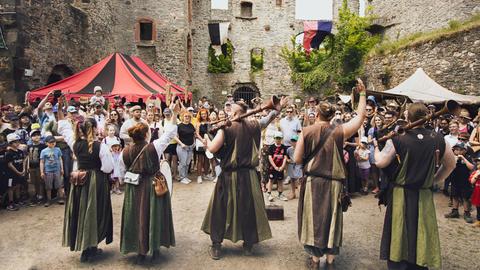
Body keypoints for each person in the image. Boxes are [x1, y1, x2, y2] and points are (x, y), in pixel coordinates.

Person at [202, 97, 288, 260]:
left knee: (220, 210)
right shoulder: (254, 126)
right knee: (248, 210)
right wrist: (278, 109)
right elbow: (267, 119)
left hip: (229, 176)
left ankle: (216, 244)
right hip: (249, 176)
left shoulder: (225, 129)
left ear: (235, 112)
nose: (227, 113)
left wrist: (207, 139)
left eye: (229, 110)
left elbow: (213, 149)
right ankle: (248, 245)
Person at [293, 79, 367, 267]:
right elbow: (360, 118)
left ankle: (316, 260)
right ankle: (331, 260)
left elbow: (297, 159)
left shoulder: (306, 131)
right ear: (332, 115)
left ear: (316, 113)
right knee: (332, 217)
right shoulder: (340, 131)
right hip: (334, 184)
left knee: (313, 218)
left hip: (313, 183)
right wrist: (363, 95)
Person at [374, 102, 456, 270]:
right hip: (423, 194)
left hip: (400, 194)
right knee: (421, 230)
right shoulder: (439, 139)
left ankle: (398, 263)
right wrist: (433, 180)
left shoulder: (398, 138)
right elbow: (451, 165)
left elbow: (380, 162)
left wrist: (375, 147)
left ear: (407, 117)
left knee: (399, 229)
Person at [57, 107, 114, 262]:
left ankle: (86, 248)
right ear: (95, 129)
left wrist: (62, 110)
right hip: (95, 181)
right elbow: (108, 167)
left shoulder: (75, 143)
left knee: (81, 211)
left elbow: (63, 127)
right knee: (95, 212)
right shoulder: (100, 146)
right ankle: (91, 247)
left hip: (79, 180)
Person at [119, 121, 178, 263]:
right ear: (146, 134)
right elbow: (170, 133)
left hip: (133, 188)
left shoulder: (124, 152)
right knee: (153, 215)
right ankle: (155, 248)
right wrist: (173, 117)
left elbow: (121, 174)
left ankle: (140, 251)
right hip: (152, 186)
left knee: (137, 217)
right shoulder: (155, 147)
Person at [444, 142, 475, 223]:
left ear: (464, 151)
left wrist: (463, 159)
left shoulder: (468, 157)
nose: (457, 151)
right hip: (454, 180)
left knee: (465, 197)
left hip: (465, 181)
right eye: (456, 150)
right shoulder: (453, 157)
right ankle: (455, 211)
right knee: (455, 195)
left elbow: (471, 167)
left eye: (459, 150)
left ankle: (466, 213)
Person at [40, 135, 65, 207]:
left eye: (54, 142)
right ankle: (49, 200)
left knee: (59, 185)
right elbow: (42, 162)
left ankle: (60, 198)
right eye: (50, 142)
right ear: (46, 143)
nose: (52, 143)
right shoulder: (43, 151)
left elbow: (60, 159)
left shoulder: (58, 149)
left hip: (57, 170)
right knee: (48, 186)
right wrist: (42, 172)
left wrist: (62, 168)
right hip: (48, 171)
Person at [5, 133, 27, 211]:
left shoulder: (20, 151)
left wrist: (23, 169)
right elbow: (10, 164)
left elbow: (23, 160)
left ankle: (17, 200)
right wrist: (17, 172)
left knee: (18, 185)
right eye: (15, 142)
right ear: (10, 143)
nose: (17, 143)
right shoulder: (9, 153)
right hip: (11, 174)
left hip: (20, 172)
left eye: (18, 141)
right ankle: (10, 203)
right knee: (11, 187)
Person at [267, 131, 288, 202]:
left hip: (280, 167)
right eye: (276, 138)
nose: (278, 140)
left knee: (280, 181)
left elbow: (285, 157)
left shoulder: (284, 147)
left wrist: (282, 166)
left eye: (279, 138)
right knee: (271, 180)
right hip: (272, 167)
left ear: (281, 139)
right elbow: (270, 157)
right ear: (274, 138)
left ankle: (280, 194)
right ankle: (269, 194)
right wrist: (275, 166)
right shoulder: (271, 147)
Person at [175, 111, 196, 184]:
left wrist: (194, 142)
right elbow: (175, 136)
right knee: (182, 163)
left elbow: (194, 135)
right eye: (185, 116)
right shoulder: (179, 126)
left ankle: (185, 176)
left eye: (188, 116)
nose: (187, 117)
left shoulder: (191, 125)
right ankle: (182, 177)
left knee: (187, 163)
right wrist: (181, 144)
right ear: (182, 117)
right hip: (182, 147)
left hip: (190, 147)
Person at [27, 129, 46, 205]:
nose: (36, 136)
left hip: (39, 167)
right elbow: (28, 156)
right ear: (31, 137)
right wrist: (28, 166)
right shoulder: (29, 146)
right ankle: (36, 195)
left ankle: (41, 196)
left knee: (40, 181)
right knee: (34, 182)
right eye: (34, 135)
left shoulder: (43, 146)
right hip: (32, 167)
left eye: (38, 135)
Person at [286, 134, 302, 199]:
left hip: (299, 165)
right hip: (291, 165)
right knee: (292, 180)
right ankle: (293, 193)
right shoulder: (289, 149)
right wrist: (287, 161)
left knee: (300, 180)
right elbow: (286, 157)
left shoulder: (301, 149)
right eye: (292, 141)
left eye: (295, 141)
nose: (293, 142)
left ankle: (301, 194)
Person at [469, 159, 480, 227]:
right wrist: (477, 174)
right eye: (478, 161)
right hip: (477, 193)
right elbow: (472, 181)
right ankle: (479, 221)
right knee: (478, 207)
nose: (478, 162)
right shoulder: (476, 172)